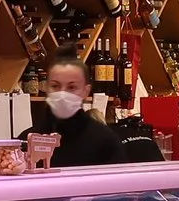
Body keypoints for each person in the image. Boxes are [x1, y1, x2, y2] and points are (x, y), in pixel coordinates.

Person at [31, 58, 159, 168]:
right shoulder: (28, 138)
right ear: (46, 88)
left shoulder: (105, 141)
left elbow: (118, 188)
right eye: (55, 86)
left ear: (85, 91)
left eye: (71, 87)